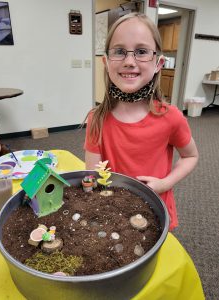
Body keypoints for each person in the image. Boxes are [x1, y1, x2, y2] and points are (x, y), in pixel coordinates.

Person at [84, 13, 199, 230]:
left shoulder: (171, 117)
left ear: (158, 63)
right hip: (113, 212)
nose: (129, 61)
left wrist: (166, 183)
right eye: (119, 51)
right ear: (106, 62)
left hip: (156, 210)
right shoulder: (96, 118)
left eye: (142, 52)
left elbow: (191, 155)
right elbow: (94, 175)